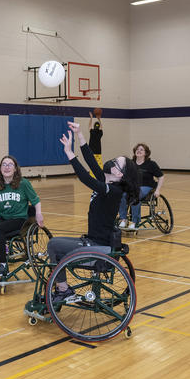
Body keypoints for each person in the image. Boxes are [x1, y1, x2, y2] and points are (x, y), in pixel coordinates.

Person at [47, 122, 139, 302]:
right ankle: (62, 288)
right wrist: (79, 134)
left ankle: (64, 290)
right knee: (54, 245)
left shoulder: (113, 191)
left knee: (53, 246)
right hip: (91, 240)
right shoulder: (108, 183)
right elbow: (90, 160)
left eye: (115, 162)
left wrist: (69, 154)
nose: (110, 162)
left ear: (119, 174)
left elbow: (84, 177)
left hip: (99, 247)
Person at [0, 155, 44, 279]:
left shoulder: (23, 184)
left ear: (15, 169)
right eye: (4, 164)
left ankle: (3, 265)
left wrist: (38, 213)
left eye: (10, 164)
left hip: (19, 219)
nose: (6, 167)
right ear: (0, 169)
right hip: (3, 217)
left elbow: (36, 200)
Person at [119, 143, 165, 229]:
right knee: (122, 195)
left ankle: (134, 221)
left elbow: (161, 177)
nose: (138, 151)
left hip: (146, 187)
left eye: (141, 150)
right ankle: (123, 219)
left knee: (135, 195)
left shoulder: (151, 164)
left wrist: (158, 190)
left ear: (146, 153)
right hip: (132, 187)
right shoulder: (130, 163)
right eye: (137, 149)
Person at [88, 111, 103, 175]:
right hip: (98, 152)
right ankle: (99, 177)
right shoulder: (100, 132)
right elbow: (101, 127)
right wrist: (99, 119)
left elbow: (89, 126)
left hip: (91, 151)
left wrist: (91, 118)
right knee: (99, 166)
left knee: (92, 165)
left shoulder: (92, 132)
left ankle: (92, 177)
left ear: (94, 126)